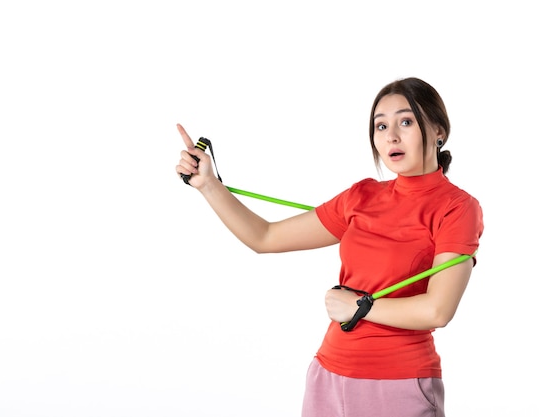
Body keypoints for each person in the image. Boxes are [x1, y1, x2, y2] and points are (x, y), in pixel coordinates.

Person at [174, 77, 484, 417]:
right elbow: (264, 237)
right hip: (329, 376)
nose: (391, 136)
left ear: (439, 130)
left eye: (405, 121)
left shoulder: (458, 207)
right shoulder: (362, 196)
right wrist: (208, 185)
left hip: (398, 383)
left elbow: (437, 310)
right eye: (381, 126)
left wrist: (359, 307)